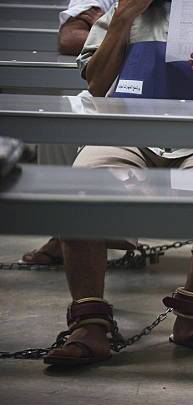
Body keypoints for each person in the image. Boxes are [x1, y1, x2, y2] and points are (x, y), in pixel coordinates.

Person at [43, 0, 193, 366]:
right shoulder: (121, 14)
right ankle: (89, 322)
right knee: (80, 187)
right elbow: (96, 84)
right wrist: (123, 19)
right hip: (125, 136)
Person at [22, 0, 116, 265]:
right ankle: (62, 232)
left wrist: (107, 27)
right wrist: (123, 29)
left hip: (184, 90)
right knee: (62, 118)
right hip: (113, 87)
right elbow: (69, 38)